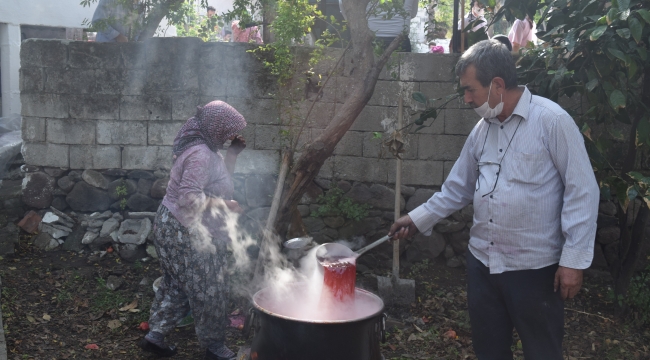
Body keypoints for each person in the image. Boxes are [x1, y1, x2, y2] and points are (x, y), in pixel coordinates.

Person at [389, 39, 599, 360]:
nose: (467, 99)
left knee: (542, 351)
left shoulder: (551, 121)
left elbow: (582, 190)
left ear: (498, 85)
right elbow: (457, 189)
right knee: (489, 351)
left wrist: (573, 260)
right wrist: (417, 220)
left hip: (534, 270)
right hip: (483, 267)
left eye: (471, 90)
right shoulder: (482, 130)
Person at [139, 101, 247, 360]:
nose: (230, 135)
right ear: (215, 127)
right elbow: (189, 199)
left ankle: (155, 336)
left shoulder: (207, 149)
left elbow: (221, 184)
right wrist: (226, 206)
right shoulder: (200, 154)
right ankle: (214, 347)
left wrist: (232, 154)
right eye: (227, 130)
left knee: (177, 284)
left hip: (173, 225)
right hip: (185, 230)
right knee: (208, 287)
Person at [339, 0, 418, 52]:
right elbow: (412, 14)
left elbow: (342, 2)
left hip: (367, 39)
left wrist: (352, 21)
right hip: (400, 40)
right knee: (401, 76)